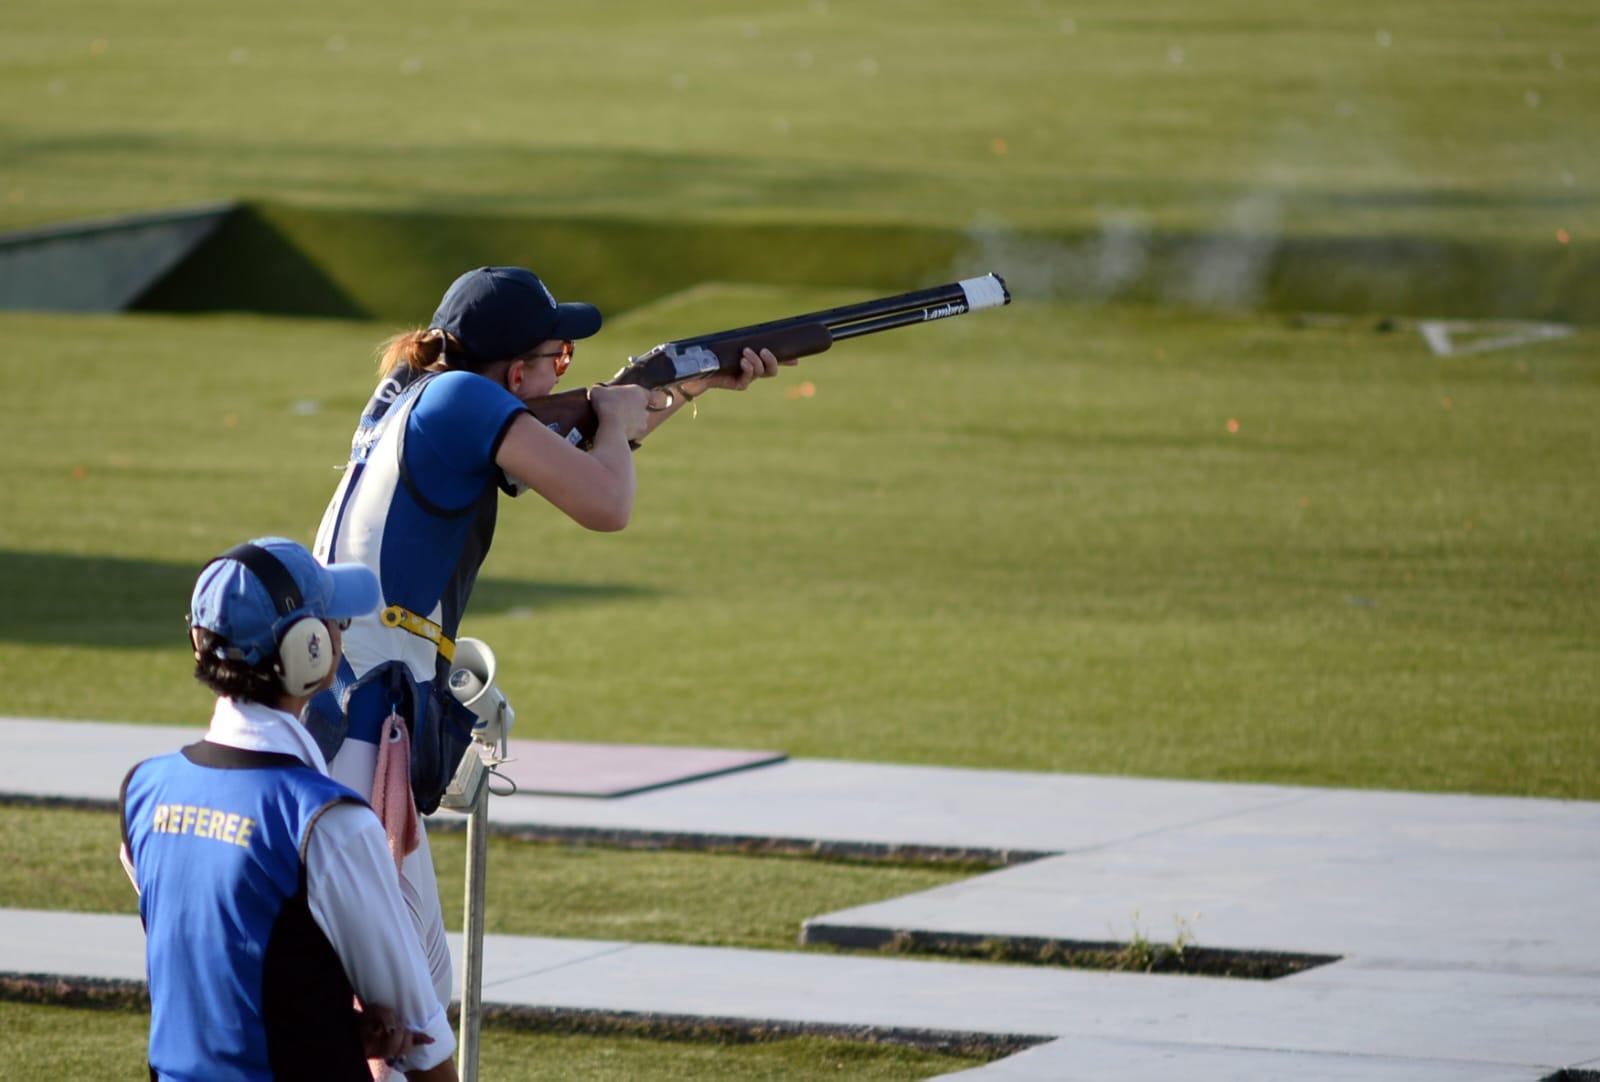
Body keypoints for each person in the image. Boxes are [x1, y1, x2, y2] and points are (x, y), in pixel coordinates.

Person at [308, 265, 793, 1004]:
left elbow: (585, 451)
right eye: (556, 360)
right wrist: (619, 412)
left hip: (336, 707)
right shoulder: (467, 400)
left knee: (387, 992)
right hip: (370, 725)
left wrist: (690, 385)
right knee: (406, 999)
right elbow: (605, 500)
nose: (563, 371)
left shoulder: (416, 396)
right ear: (513, 370)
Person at [119, 538, 458, 1082]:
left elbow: (229, 971)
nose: (341, 632)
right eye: (335, 622)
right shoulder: (329, 823)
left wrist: (329, 1027)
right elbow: (422, 1038)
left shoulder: (143, 792)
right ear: (308, 651)